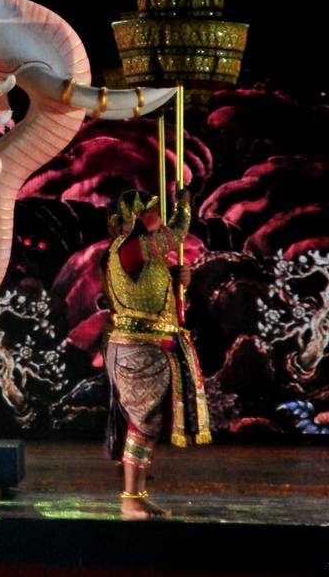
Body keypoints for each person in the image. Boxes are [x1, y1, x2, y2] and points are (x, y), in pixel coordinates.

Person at [102, 188, 210, 520]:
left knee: (147, 423)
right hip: (136, 351)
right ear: (135, 217)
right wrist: (184, 209)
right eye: (150, 212)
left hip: (147, 349)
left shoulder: (146, 255)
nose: (156, 217)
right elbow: (176, 233)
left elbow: (163, 305)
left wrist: (181, 282)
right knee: (142, 423)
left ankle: (137, 495)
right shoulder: (131, 249)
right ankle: (130, 498)